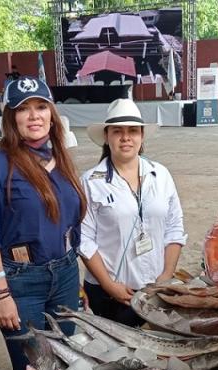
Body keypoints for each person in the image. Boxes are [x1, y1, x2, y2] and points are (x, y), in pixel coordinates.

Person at [0, 76, 87, 370]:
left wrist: (76, 279)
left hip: (65, 275)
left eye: (40, 107)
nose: (33, 116)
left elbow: (72, 223)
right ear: (11, 118)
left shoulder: (62, 160)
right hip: (22, 284)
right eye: (23, 109)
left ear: (52, 114)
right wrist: (1, 293)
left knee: (65, 364)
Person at [79, 99, 186, 326]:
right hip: (110, 293)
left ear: (142, 136)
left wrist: (166, 276)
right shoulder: (90, 182)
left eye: (133, 131)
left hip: (155, 290)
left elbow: (175, 227)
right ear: (106, 137)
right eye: (117, 131)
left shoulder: (161, 175)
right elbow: (83, 239)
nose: (126, 137)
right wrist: (109, 285)